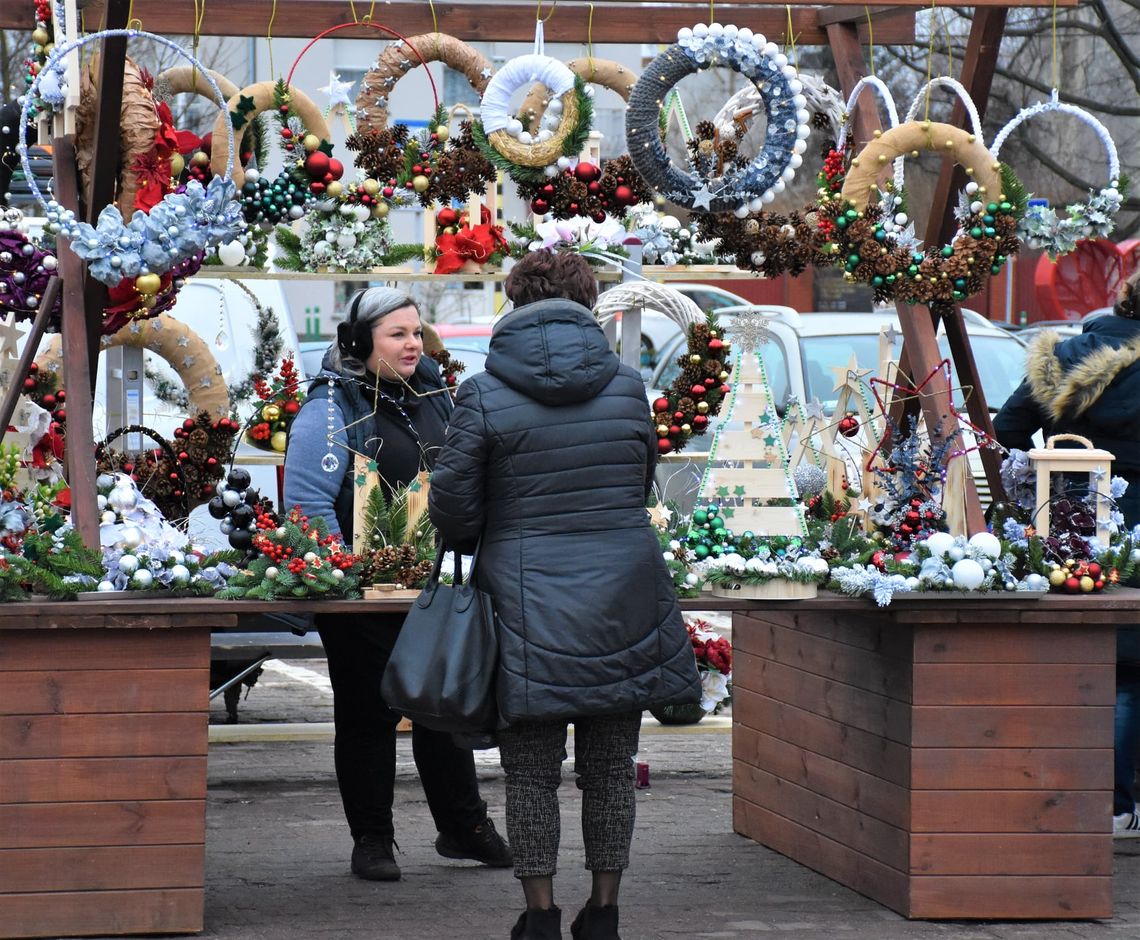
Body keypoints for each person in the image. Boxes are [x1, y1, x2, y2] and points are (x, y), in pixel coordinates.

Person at [427, 251, 701, 940]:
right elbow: (639, 484)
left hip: (525, 602)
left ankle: (540, 915)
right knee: (611, 768)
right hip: (624, 597)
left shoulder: (483, 393)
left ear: (514, 304)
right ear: (590, 303)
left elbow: (453, 509)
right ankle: (604, 911)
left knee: (530, 774)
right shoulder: (627, 386)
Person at [284, 287, 512, 880]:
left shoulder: (436, 392)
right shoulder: (330, 406)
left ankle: (462, 827)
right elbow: (308, 501)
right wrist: (342, 579)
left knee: (444, 705)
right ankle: (373, 840)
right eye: (397, 335)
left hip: (436, 587)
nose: (413, 344)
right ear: (361, 342)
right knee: (366, 717)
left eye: (416, 332)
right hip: (365, 597)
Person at [994, 268, 1140, 838]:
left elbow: (1007, 427)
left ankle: (1105, 806)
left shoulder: (1064, 357)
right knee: (1130, 673)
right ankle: (1116, 805)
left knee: (1090, 665)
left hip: (1076, 524)